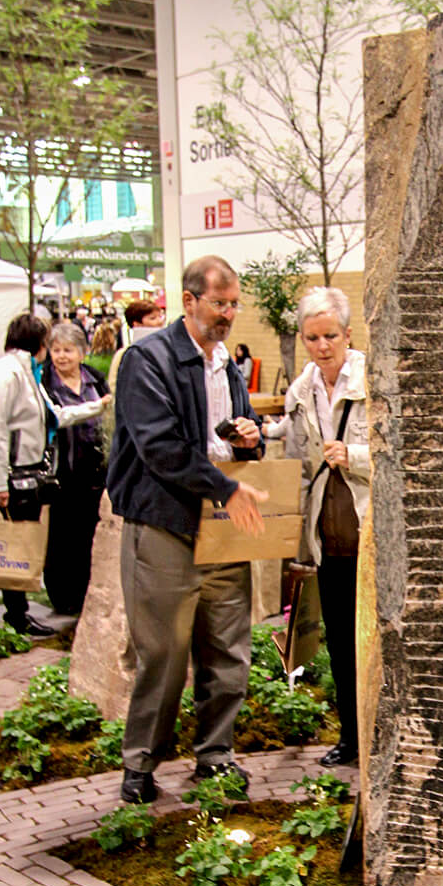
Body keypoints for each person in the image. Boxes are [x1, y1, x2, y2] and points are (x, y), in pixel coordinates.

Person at [106, 254, 268, 805]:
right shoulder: (146, 360)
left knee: (228, 650)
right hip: (164, 526)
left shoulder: (227, 365)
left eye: (234, 304)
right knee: (164, 655)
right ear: (189, 300)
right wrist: (224, 487)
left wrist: (250, 439)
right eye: (219, 303)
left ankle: (215, 754)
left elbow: (234, 440)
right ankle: (140, 764)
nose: (228, 314)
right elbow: (160, 446)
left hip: (224, 529)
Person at [0, 312, 106, 636]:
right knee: (10, 544)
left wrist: (98, 406)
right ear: (39, 344)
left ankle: (11, 614)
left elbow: (53, 416)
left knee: (17, 545)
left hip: (25, 473)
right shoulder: (4, 375)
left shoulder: (27, 373)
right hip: (11, 475)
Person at [284, 286, 369, 768]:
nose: (322, 346)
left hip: (371, 539)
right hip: (329, 542)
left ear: (347, 334)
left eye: (330, 336)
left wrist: (353, 456)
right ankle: (351, 737)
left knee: (376, 645)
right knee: (339, 646)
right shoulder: (301, 392)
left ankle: (383, 735)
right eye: (312, 337)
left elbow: (403, 451)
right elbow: (296, 462)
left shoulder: (373, 381)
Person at [42, 321, 111, 616]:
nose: (61, 356)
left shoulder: (95, 380)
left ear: (82, 353)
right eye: (56, 350)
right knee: (62, 536)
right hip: (63, 470)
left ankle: (86, 593)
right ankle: (62, 596)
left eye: (68, 350)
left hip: (95, 470)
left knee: (89, 534)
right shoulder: (46, 383)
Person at [109, 298, 165, 391]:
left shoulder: (168, 350)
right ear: (137, 324)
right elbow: (114, 386)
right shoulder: (124, 354)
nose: (160, 322)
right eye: (153, 318)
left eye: (160, 316)